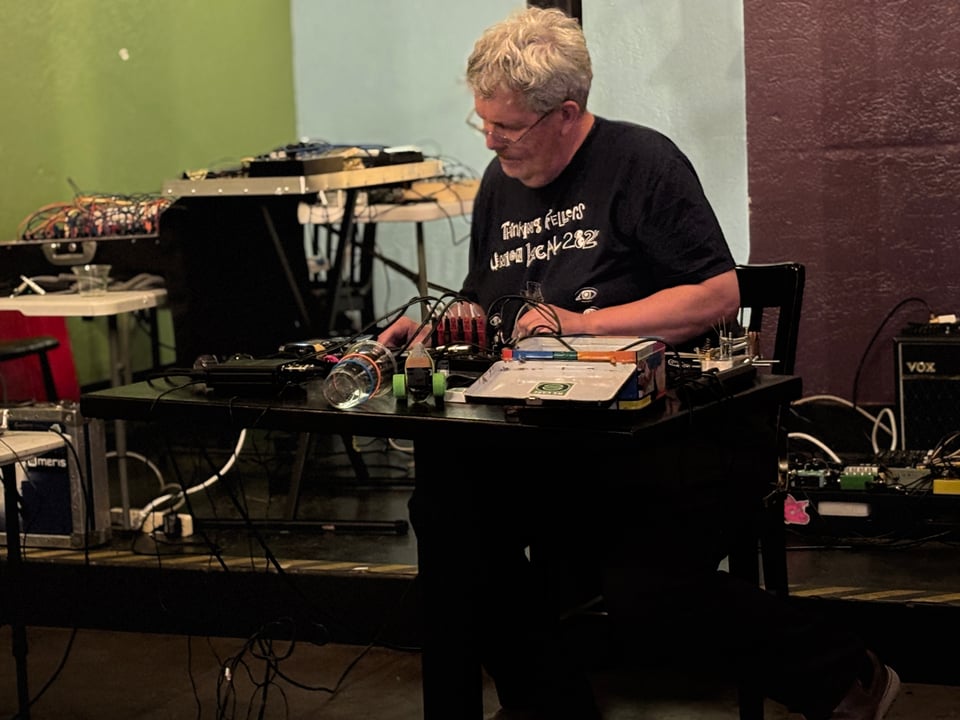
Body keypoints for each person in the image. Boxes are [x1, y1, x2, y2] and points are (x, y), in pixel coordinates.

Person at [379, 7, 899, 720]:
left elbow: (719, 295)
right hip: (555, 439)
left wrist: (585, 325)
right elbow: (488, 303)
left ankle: (846, 673)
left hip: (677, 439)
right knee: (447, 515)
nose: (493, 141)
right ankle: (549, 704)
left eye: (508, 127)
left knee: (644, 591)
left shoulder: (642, 163)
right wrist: (439, 329)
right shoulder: (502, 182)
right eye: (484, 122)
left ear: (567, 113)